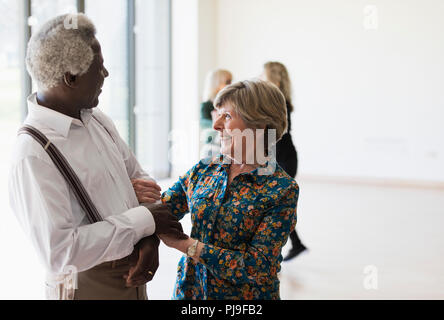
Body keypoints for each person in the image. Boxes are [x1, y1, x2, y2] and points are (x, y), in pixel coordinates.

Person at [8, 14, 185, 300]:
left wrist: (149, 240)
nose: (106, 75)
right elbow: (60, 252)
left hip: (133, 275)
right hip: (85, 288)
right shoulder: (33, 155)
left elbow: (142, 181)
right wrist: (144, 220)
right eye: (99, 68)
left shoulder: (97, 120)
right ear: (70, 78)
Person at [134, 79, 299, 300]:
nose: (216, 125)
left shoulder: (281, 190)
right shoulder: (204, 169)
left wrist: (185, 245)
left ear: (259, 126)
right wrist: (142, 197)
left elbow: (255, 268)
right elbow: (164, 211)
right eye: (217, 114)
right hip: (189, 293)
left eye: (227, 116)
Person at [261, 61, 307, 261]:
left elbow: (274, 134)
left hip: (284, 160)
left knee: (276, 206)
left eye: (264, 75)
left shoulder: (279, 102)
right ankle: (294, 244)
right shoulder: (276, 101)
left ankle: (277, 251)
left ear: (274, 79)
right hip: (277, 159)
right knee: (275, 206)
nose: (260, 77)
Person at [200, 69, 232, 159]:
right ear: (217, 83)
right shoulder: (206, 105)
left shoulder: (227, 104)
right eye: (228, 82)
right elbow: (204, 124)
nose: (231, 85)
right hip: (212, 145)